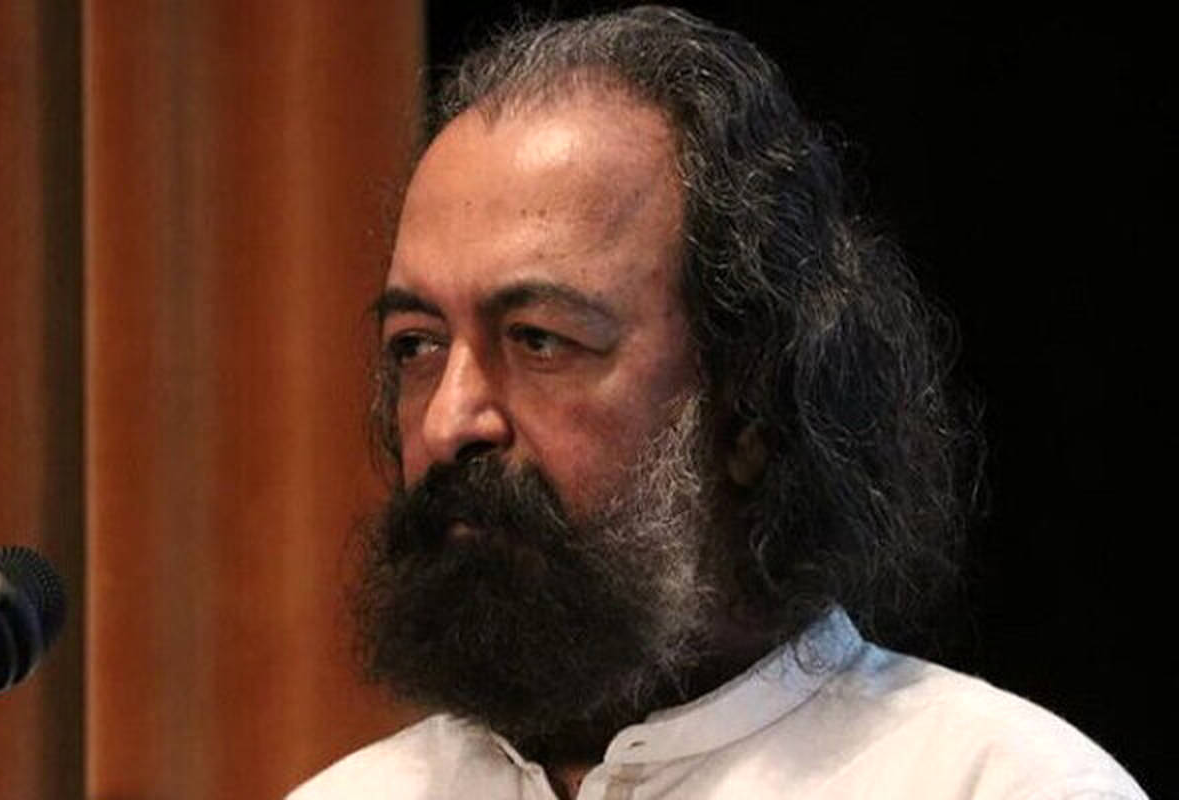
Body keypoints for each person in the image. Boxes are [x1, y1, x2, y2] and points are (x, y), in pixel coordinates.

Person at [289, 6, 1146, 799]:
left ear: (751, 405)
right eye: (417, 345)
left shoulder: (999, 784)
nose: (448, 422)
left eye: (539, 340)